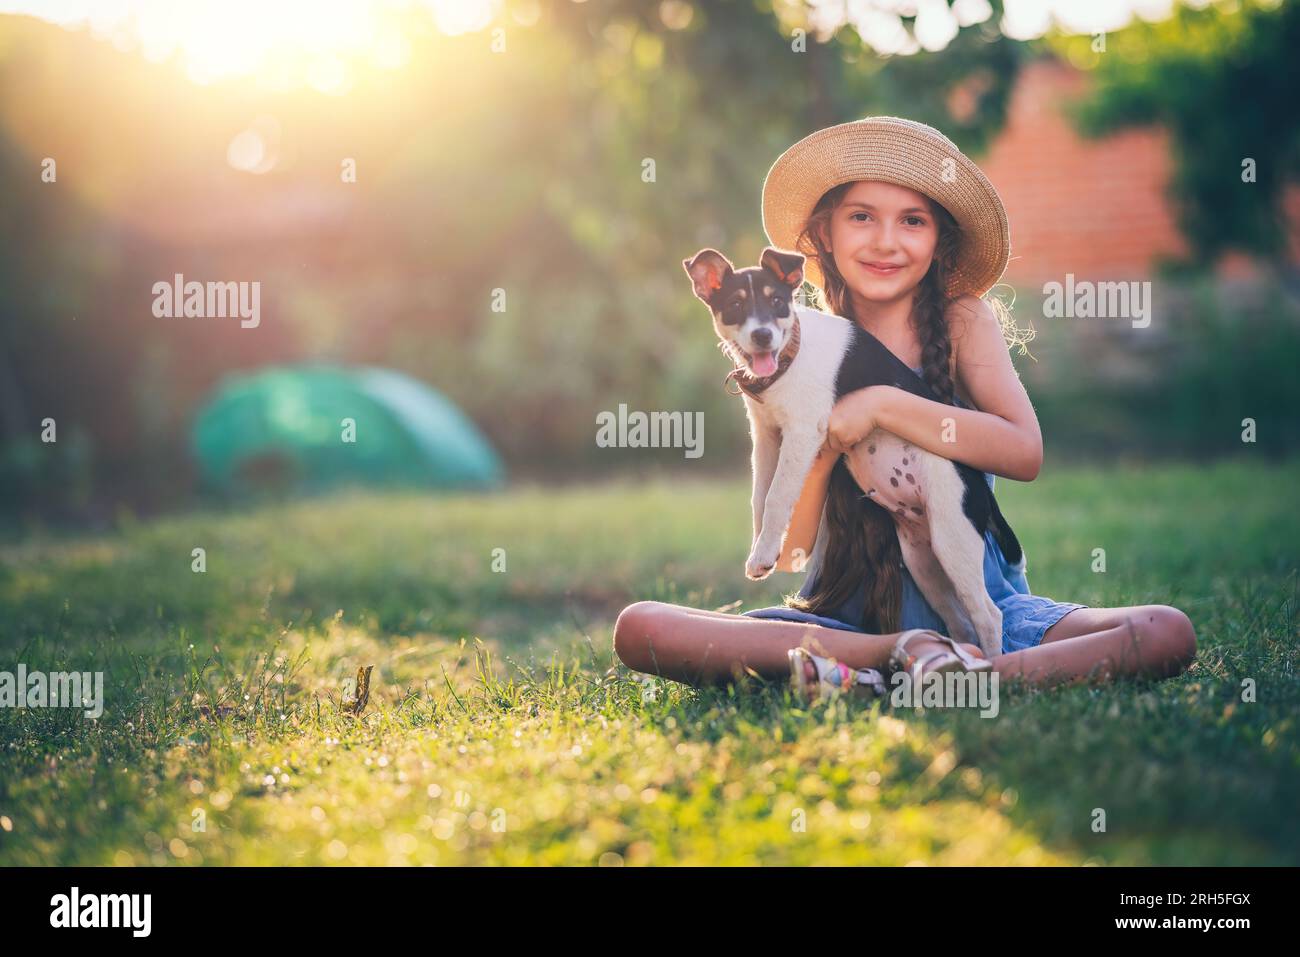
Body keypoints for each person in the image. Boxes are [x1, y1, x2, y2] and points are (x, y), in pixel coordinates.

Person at [614, 116, 1196, 702]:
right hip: (846, 624)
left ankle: (949, 674)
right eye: (862, 217)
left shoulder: (962, 320)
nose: (886, 241)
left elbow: (1025, 453)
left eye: (912, 221)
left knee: (1164, 631)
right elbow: (790, 553)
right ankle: (904, 658)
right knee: (643, 627)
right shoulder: (804, 351)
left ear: (939, 240)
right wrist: (820, 446)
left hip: (984, 611)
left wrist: (882, 404)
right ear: (824, 236)